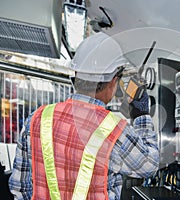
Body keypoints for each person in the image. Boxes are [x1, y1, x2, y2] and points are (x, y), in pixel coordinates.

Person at [9, 32, 159, 200]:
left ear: (76, 77)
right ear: (113, 81)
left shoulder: (36, 119)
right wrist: (141, 115)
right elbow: (149, 166)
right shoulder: (115, 130)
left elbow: (20, 188)